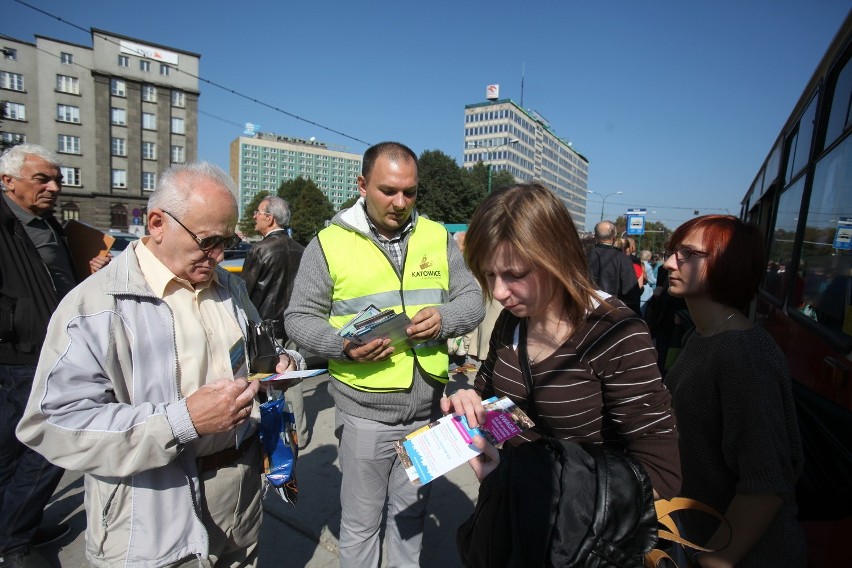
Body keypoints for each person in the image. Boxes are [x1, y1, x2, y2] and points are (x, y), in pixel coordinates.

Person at [16, 162, 302, 567]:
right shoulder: (95, 305)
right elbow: (52, 423)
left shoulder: (231, 287)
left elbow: (258, 352)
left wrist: (280, 365)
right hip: (150, 513)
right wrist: (181, 421)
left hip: (240, 502)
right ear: (156, 223)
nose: (219, 255)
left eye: (228, 240)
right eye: (208, 241)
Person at [284, 141, 484, 567]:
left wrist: (444, 318)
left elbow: (473, 300)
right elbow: (298, 318)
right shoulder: (329, 243)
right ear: (362, 185)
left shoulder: (436, 236)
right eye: (388, 190)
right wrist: (342, 345)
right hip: (366, 415)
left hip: (426, 412)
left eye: (410, 192)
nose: (400, 202)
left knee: (409, 521)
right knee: (360, 526)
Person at [444, 182, 681, 500]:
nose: (499, 293)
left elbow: (661, 474)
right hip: (511, 518)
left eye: (515, 274)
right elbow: (496, 400)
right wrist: (467, 402)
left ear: (556, 258)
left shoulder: (614, 332)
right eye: (489, 275)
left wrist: (535, 481)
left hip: (579, 536)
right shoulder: (513, 320)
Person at [662, 215, 805, 567]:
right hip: (698, 535)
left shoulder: (744, 353)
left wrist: (714, 561)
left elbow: (765, 485)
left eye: (687, 254)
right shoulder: (702, 336)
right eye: (671, 252)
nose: (668, 263)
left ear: (729, 264)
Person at [0, 144, 110, 568]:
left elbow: (57, 282)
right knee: (48, 448)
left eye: (57, 179)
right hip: (20, 353)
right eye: (42, 178)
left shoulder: (52, 226)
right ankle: (14, 542)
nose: (53, 187)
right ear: (8, 181)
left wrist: (90, 272)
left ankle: (15, 524)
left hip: (56, 349)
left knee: (22, 450)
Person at [242, 195, 310, 448]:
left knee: (267, 382)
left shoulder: (260, 250)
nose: (254, 217)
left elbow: (244, 293)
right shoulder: (301, 249)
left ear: (269, 217)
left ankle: (275, 437)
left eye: (258, 212)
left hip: (266, 328)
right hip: (295, 323)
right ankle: (299, 435)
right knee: (294, 378)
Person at [587, 220, 641, 313]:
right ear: (614, 237)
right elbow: (631, 291)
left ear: (595, 236)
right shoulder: (623, 259)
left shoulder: (584, 255)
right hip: (614, 313)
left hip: (588, 311)